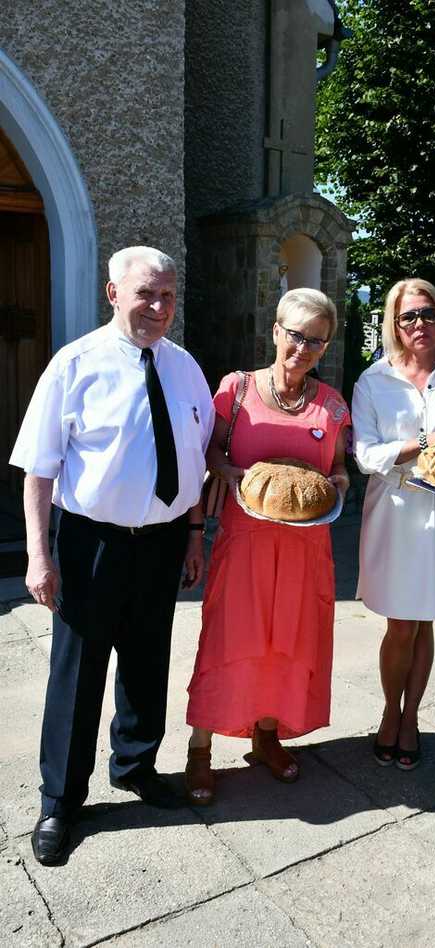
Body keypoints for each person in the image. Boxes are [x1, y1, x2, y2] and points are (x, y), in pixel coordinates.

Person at [10, 246, 214, 866]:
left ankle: (135, 766)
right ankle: (61, 801)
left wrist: (195, 534)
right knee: (78, 674)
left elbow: (198, 460)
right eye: (146, 294)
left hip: (161, 542)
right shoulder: (73, 365)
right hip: (90, 543)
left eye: (168, 296)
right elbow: (39, 472)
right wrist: (38, 556)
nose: (158, 307)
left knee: (148, 662)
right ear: (113, 294)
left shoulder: (185, 368)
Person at [185, 288, 350, 803]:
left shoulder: (331, 404)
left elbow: (339, 466)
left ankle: (266, 734)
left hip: (306, 548)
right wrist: (228, 470)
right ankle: (200, 748)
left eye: (316, 342)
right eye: (296, 335)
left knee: (289, 642)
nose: (303, 348)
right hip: (246, 540)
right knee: (229, 642)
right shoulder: (236, 390)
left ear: (325, 349)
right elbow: (208, 449)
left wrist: (341, 483)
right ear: (276, 331)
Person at [352, 279, 435, 770]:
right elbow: (365, 456)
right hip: (394, 514)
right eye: (408, 316)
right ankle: (388, 712)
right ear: (394, 324)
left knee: (423, 622)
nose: (420, 324)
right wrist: (426, 442)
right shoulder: (372, 380)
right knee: (400, 623)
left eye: (429, 313)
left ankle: (412, 716)